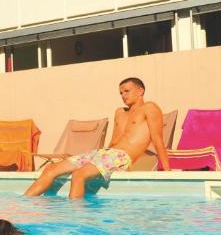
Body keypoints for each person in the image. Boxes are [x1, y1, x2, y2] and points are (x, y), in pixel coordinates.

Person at [24, 77, 170, 199]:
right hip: (103, 154)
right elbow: (114, 141)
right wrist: (99, 154)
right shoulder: (120, 112)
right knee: (51, 168)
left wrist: (168, 170)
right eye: (120, 93)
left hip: (121, 157)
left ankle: (73, 219)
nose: (123, 95)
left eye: (127, 91)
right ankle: (22, 207)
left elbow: (158, 140)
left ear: (140, 91)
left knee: (79, 174)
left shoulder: (150, 108)